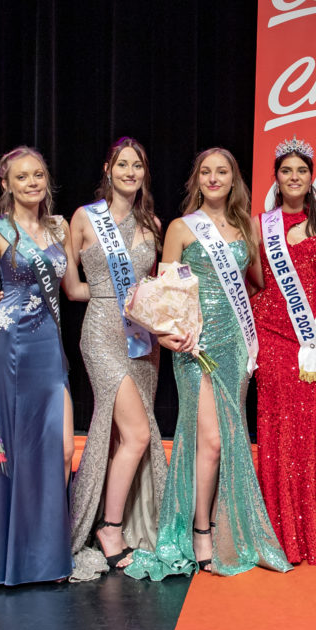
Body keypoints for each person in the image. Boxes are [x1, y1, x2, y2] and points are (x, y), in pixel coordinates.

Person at [126, 148, 290, 579]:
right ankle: (201, 531)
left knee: (228, 437)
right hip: (194, 345)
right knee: (211, 440)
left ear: (234, 180)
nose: (214, 178)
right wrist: (167, 334)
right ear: (196, 180)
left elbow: (255, 284)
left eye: (222, 172)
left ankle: (224, 530)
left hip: (234, 342)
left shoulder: (245, 227)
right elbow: (163, 295)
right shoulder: (181, 228)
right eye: (206, 172)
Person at [0, 147, 75, 586]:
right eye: (22, 177)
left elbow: (73, 290)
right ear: (6, 184)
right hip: (8, 349)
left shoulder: (59, 226)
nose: (32, 183)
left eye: (38, 175)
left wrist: (133, 301)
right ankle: (13, 562)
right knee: (13, 455)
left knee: (62, 450)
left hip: (49, 348)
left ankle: (48, 558)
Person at [65, 137, 168, 579]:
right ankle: (108, 528)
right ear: (108, 168)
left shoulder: (154, 224)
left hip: (144, 342)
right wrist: (112, 296)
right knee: (139, 433)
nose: (129, 172)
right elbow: (72, 288)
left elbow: (159, 289)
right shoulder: (86, 218)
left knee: (125, 436)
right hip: (103, 334)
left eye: (137, 166)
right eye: (122, 164)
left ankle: (119, 518)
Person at [251, 137, 316, 565]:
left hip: (313, 339)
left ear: (312, 176)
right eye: (286, 171)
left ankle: (314, 528)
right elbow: (252, 280)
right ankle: (280, 531)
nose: (294, 177)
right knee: (278, 429)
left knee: (315, 429)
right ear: (277, 177)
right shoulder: (259, 225)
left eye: (302, 170)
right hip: (271, 335)